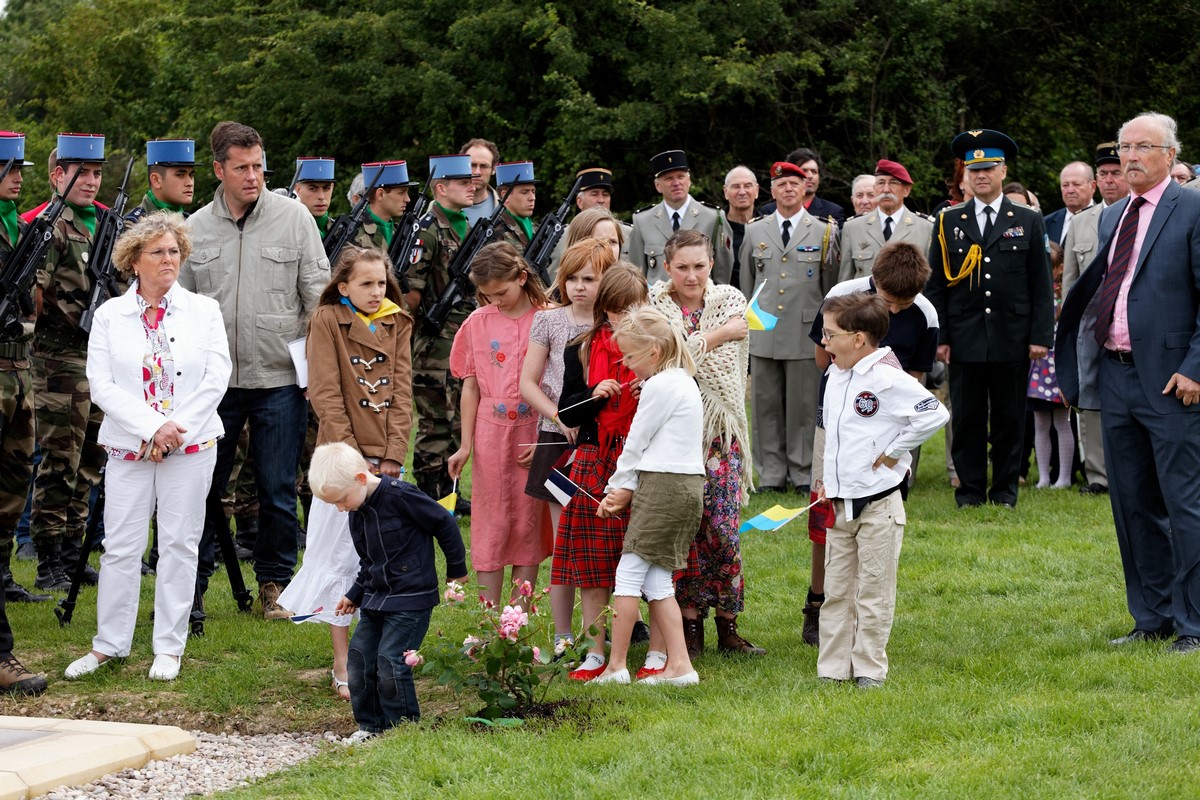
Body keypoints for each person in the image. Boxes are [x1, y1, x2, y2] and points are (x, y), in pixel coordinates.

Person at [1056, 111, 1200, 654]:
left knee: (1184, 503)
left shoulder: (1192, 208)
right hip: (1116, 376)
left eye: (1143, 147)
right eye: (1125, 147)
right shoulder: (1114, 215)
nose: (1131, 157)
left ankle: (1194, 623)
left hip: (1173, 382)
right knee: (1132, 503)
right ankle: (1151, 616)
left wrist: (1196, 368)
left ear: (1170, 154)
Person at [66, 211, 231, 682]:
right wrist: (152, 428)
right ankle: (109, 645)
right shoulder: (109, 315)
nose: (168, 259)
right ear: (134, 261)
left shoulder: (204, 311)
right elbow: (101, 384)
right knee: (120, 546)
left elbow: (216, 376)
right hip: (129, 446)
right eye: (157, 252)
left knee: (179, 544)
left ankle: (169, 647)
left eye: (174, 251)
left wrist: (175, 429)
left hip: (191, 444)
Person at [178, 121, 329, 619]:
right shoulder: (195, 228)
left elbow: (319, 298)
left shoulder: (295, 218)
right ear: (218, 170)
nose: (252, 176)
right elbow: (179, 307)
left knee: (277, 489)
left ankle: (275, 585)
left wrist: (314, 371)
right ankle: (191, 588)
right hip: (212, 387)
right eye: (241, 167)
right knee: (200, 488)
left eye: (258, 166)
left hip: (279, 379)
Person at [278, 245, 412, 700]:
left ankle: (380, 653)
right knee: (339, 557)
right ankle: (343, 661)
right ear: (343, 286)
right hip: (343, 456)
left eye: (381, 283)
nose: (376, 291)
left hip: (385, 457)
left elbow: (402, 391)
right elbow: (325, 392)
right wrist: (354, 458)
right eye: (366, 283)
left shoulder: (397, 321)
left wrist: (393, 454)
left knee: (382, 556)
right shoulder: (327, 320)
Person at [804, 241, 939, 646]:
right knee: (826, 512)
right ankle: (818, 601)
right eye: (887, 300)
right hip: (837, 425)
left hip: (890, 432)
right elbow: (823, 359)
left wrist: (892, 442)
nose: (893, 311)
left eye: (903, 304)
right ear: (873, 280)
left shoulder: (926, 314)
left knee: (879, 519)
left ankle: (867, 608)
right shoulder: (840, 297)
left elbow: (916, 382)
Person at [817, 292, 948, 687]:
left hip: (878, 506)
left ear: (859, 339)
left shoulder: (888, 378)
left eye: (830, 334)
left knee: (873, 591)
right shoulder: (835, 375)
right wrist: (827, 480)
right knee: (836, 590)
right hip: (839, 504)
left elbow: (935, 413)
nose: (823, 341)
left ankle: (869, 669)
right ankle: (833, 669)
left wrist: (894, 453)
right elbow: (833, 434)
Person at [924, 128, 1054, 508]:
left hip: (1012, 334)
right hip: (964, 335)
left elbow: (1041, 283)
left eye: (988, 168)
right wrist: (941, 337)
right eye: (974, 170)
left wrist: (1040, 336)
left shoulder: (1028, 219)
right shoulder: (948, 220)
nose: (981, 175)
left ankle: (1004, 491)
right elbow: (936, 286)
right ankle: (969, 491)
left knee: (1010, 417)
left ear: (1003, 171)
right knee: (966, 417)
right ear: (965, 175)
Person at [650, 229, 764, 659]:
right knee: (686, 529)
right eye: (682, 267)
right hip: (673, 434)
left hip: (720, 434)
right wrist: (715, 336)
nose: (691, 275)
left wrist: (690, 347)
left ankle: (728, 626)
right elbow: (665, 359)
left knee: (724, 529)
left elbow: (710, 362)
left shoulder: (730, 300)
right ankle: (689, 624)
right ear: (667, 267)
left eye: (699, 266)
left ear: (711, 264)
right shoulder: (655, 306)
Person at [314, 442, 466, 737]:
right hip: (375, 598)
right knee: (359, 661)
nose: (341, 508)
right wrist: (355, 594)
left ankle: (402, 730)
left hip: (411, 597)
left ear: (361, 478)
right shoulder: (356, 511)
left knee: (390, 662)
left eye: (341, 500)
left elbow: (444, 524)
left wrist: (456, 571)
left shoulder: (402, 496)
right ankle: (371, 726)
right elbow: (369, 561)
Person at [592, 305, 704, 687]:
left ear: (653, 352)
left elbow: (636, 442)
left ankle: (616, 667)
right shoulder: (684, 380)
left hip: (664, 486)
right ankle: (680, 667)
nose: (625, 364)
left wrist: (617, 488)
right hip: (686, 486)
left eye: (629, 356)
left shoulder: (658, 385)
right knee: (658, 581)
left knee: (627, 575)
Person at [519, 238, 617, 652]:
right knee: (566, 541)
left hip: (606, 441)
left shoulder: (614, 321)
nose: (579, 287)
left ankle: (604, 629)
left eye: (589, 279)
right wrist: (560, 416)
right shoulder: (548, 321)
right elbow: (528, 383)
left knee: (604, 539)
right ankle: (562, 634)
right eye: (572, 278)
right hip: (557, 438)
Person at [551, 264, 648, 680]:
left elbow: (684, 396)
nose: (622, 318)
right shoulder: (582, 347)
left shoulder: (658, 344)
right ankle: (595, 651)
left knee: (647, 555)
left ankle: (658, 650)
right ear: (602, 307)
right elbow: (566, 410)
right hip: (596, 455)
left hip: (644, 458)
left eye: (631, 309)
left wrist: (651, 388)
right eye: (615, 310)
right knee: (592, 560)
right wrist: (593, 394)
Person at [448, 242, 553, 606]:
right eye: (487, 294)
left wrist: (545, 439)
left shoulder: (548, 318)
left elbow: (557, 385)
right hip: (490, 433)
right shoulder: (477, 322)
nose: (495, 301)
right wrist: (465, 444)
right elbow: (471, 386)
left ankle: (516, 615)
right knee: (490, 521)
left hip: (534, 429)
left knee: (527, 519)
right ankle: (489, 616)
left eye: (501, 292)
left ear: (522, 278)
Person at [31, 133, 107, 593]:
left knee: (90, 459)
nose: (92, 181)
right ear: (58, 175)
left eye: (97, 173)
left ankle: (73, 550)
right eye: (82, 173)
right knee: (60, 459)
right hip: (58, 360)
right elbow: (36, 293)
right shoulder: (51, 226)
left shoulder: (100, 226)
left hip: (95, 359)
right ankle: (47, 558)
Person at [739, 161, 839, 493]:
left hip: (804, 333)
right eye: (782, 184)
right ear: (772, 190)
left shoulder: (824, 230)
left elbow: (830, 288)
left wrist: (827, 334)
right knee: (765, 406)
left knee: (803, 407)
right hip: (764, 331)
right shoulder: (755, 231)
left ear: (805, 188)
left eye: (795, 183)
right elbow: (747, 284)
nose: (788, 189)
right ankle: (770, 474)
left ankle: (802, 471)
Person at [408, 154, 476, 510]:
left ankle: (449, 493)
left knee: (456, 421)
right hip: (434, 344)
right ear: (441, 187)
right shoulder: (428, 230)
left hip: (462, 339)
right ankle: (427, 495)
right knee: (435, 422)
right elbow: (412, 292)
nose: (472, 187)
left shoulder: (466, 225)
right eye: (463, 182)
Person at [1063, 143, 1129, 496]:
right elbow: (1071, 282)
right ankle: (1098, 475)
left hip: (1129, 325)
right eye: (1103, 174)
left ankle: (1127, 470)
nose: (1109, 180)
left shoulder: (1142, 215)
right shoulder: (1081, 222)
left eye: (1116, 172)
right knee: (1089, 397)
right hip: (1090, 329)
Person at [0, 131, 49, 606]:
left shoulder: (20, 227)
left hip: (20, 369)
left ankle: (2, 573)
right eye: (10, 169)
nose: (17, 178)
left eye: (20, 170)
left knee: (16, 476)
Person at [627, 149, 734, 285]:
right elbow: (637, 273)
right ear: (658, 186)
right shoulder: (642, 221)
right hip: (658, 298)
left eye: (680, 176)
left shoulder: (713, 217)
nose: (676, 183)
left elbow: (722, 272)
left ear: (689, 181)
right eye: (669, 178)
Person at [838, 160, 933, 282]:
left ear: (906, 190)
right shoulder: (853, 228)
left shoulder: (926, 228)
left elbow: (930, 282)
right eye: (881, 183)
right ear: (875, 189)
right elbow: (845, 281)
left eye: (893, 183)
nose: (886, 189)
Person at [1028, 242, 1072, 489]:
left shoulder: (1065, 296)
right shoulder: (1034, 294)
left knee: (1062, 422)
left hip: (1058, 369)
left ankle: (1064, 477)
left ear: (1060, 268)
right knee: (1040, 423)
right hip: (1037, 370)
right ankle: (1044, 476)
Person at [547, 166, 632, 278]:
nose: (601, 200)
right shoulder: (560, 236)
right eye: (594, 194)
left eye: (605, 194)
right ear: (579, 202)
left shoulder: (629, 233)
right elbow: (554, 280)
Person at [125, 139, 196, 226]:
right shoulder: (133, 226)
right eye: (180, 175)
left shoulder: (192, 222)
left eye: (191, 175)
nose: (190, 183)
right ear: (156, 180)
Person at [355, 160, 417, 253]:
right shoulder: (354, 234)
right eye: (401, 193)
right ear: (380, 194)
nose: (408, 199)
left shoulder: (401, 233)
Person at [723, 165, 760, 291]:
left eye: (747, 186)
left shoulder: (768, 227)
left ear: (756, 191)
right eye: (736, 186)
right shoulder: (716, 227)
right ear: (725, 192)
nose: (742, 192)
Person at [1044, 162, 1096, 245]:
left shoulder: (1104, 219)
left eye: (1076, 184)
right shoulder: (1046, 223)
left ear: (1092, 186)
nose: (1070, 190)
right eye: (1065, 185)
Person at [493, 161, 537, 251]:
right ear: (505, 196)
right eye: (524, 192)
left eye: (533, 192)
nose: (532, 198)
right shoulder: (495, 232)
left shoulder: (536, 229)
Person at [292, 157, 336, 239]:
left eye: (326, 188)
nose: (321, 197)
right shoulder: (290, 229)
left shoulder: (340, 230)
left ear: (332, 188)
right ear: (298, 189)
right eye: (313, 189)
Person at [460, 137, 500, 227]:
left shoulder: (506, 208)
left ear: (493, 169)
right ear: (461, 166)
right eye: (472, 165)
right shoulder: (441, 206)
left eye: (484, 166)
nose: (477, 172)